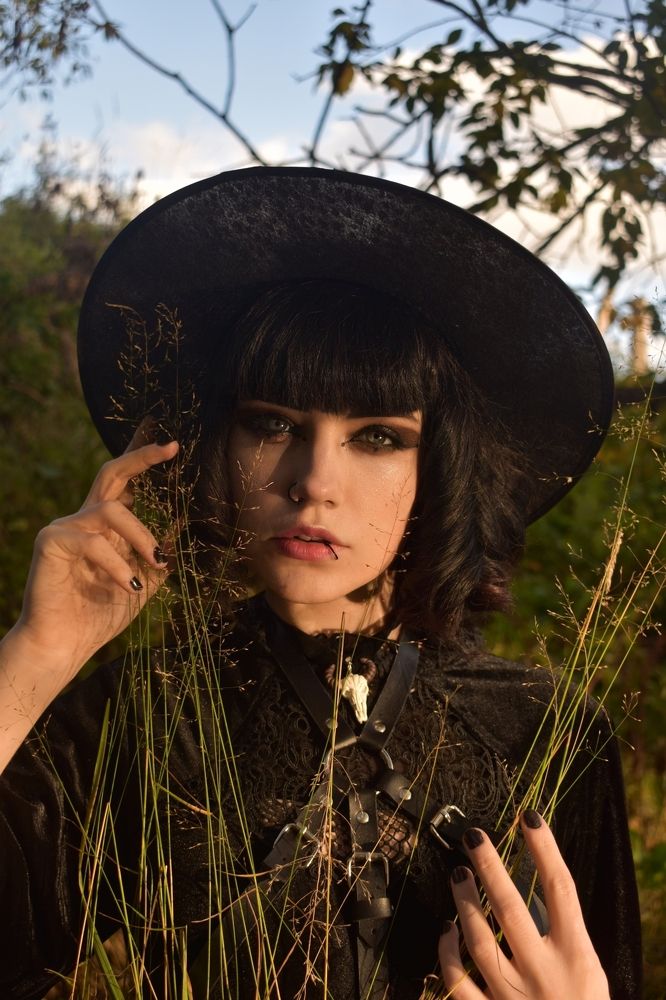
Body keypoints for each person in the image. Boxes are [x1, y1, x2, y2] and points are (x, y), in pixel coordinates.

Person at [0, 168, 641, 1000]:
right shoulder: (145, 715)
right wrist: (34, 658)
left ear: (439, 468)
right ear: (217, 446)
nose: (314, 483)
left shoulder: (545, 728)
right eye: (272, 424)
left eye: (378, 437)